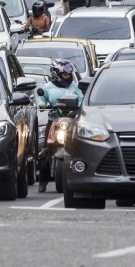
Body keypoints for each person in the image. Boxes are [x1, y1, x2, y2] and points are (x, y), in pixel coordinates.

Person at [37, 59, 83, 192]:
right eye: (65, 75)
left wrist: (80, 107)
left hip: (70, 121)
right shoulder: (47, 87)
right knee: (45, 150)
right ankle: (43, 180)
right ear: (57, 74)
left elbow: (81, 99)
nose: (68, 77)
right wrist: (42, 104)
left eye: (69, 74)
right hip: (54, 121)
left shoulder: (74, 86)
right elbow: (41, 98)